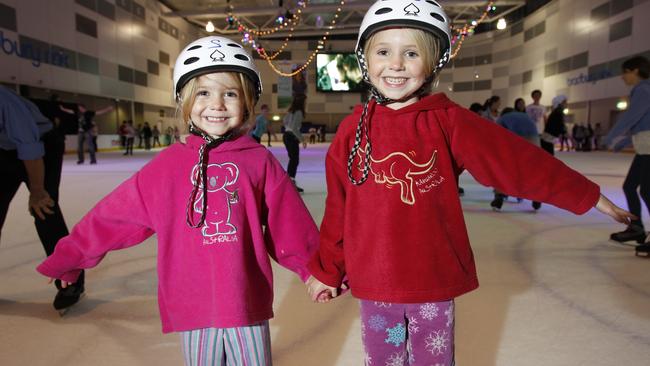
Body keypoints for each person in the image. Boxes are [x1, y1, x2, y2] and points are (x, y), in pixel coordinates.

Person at [304, 2, 635, 364]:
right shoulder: (353, 131)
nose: (395, 64)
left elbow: (515, 162)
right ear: (365, 60)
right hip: (377, 283)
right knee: (386, 359)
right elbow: (339, 208)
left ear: (433, 63)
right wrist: (328, 269)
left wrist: (588, 196)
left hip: (431, 280)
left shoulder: (449, 121)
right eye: (384, 52)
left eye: (411, 53)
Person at [36, 36, 319, 364]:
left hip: (245, 303)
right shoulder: (165, 168)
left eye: (230, 93)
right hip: (192, 306)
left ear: (247, 101)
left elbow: (290, 224)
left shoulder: (259, 161)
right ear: (183, 99)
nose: (217, 104)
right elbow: (112, 218)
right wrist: (69, 257)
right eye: (203, 93)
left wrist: (316, 269)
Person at [0, 85, 85, 314]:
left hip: (42, 147)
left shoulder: (6, 103)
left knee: (44, 209)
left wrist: (37, 190)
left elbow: (31, 149)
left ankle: (71, 282)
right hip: (4, 150)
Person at [604, 56, 650, 254]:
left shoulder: (644, 89)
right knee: (630, 186)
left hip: (648, 146)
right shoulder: (644, 90)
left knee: (647, 191)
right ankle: (637, 228)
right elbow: (642, 123)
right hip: (644, 145)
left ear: (636, 71)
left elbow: (632, 117)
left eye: (625, 72)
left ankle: (638, 228)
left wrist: (612, 135)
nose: (623, 77)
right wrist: (623, 141)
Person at [491, 106, 542, 211]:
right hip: (534, 141)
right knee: (529, 171)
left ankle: (499, 197)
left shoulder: (502, 118)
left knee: (502, 170)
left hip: (515, 141)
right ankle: (536, 198)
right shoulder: (525, 116)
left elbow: (496, 135)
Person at [283, 96, 306, 193]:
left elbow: (284, 122)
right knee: (294, 160)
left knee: (293, 159)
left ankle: (290, 182)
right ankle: (290, 183)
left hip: (286, 136)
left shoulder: (290, 111)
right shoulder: (299, 112)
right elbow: (294, 128)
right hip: (292, 137)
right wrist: (302, 140)